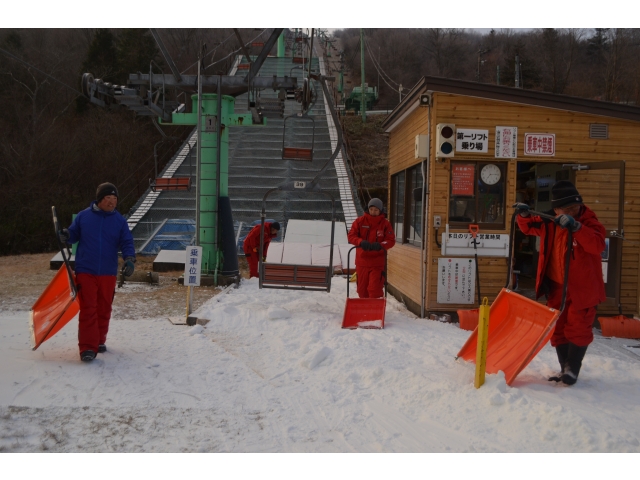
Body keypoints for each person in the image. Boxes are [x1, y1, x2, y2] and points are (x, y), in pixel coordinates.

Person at [514, 180, 606, 386]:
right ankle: (564, 366)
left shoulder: (589, 222)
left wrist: (577, 227)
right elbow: (528, 227)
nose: (573, 211)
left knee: (579, 327)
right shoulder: (549, 221)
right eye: (567, 209)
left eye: (575, 207)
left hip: (583, 288)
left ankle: (572, 369)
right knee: (558, 328)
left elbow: (598, 244)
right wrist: (524, 215)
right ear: (556, 209)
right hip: (556, 286)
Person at [58, 183, 136, 362]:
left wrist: (130, 259)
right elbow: (73, 233)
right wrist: (66, 235)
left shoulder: (119, 221)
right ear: (100, 199)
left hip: (108, 271)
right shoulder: (84, 216)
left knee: (104, 306)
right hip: (86, 269)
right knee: (88, 308)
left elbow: (126, 242)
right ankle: (87, 347)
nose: (112, 202)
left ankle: (99, 339)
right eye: (109, 198)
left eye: (115, 199)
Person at [348, 198, 395, 298]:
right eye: (371, 209)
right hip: (362, 261)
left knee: (374, 289)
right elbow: (351, 236)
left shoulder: (385, 224)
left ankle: (374, 311)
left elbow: (391, 240)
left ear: (380, 210)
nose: (373, 212)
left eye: (376, 210)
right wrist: (360, 242)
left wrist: (381, 245)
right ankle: (365, 311)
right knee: (362, 290)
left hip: (377, 262)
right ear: (368, 209)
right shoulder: (359, 221)